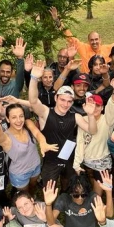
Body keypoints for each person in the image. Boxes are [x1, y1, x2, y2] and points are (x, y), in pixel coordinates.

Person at [0, 90, 56, 194]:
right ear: (8, 119)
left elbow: (37, 133)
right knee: (24, 193)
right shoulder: (6, 138)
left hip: (36, 166)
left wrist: (42, 142)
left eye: (21, 116)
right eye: (14, 117)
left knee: (33, 186)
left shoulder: (28, 123)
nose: (19, 120)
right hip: (20, 174)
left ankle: (32, 196)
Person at [28, 59, 98, 189]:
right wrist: (33, 78)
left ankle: (64, 194)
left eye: (69, 101)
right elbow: (33, 100)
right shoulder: (45, 113)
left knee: (67, 183)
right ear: (56, 98)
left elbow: (92, 130)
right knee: (49, 189)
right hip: (51, 161)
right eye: (62, 100)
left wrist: (90, 115)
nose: (65, 104)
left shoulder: (75, 116)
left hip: (68, 156)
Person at [74, 72, 114, 195]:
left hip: (102, 161)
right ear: (85, 105)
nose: (94, 108)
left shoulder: (107, 120)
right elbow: (80, 141)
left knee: (97, 194)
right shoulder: (83, 120)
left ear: (102, 108)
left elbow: (112, 107)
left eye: (98, 106)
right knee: (88, 186)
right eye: (91, 105)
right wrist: (76, 162)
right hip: (86, 161)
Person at [49, 6, 114, 73]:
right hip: (87, 82)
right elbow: (69, 37)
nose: (94, 42)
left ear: (100, 40)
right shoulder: (83, 47)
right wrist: (57, 21)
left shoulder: (108, 48)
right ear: (88, 41)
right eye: (92, 40)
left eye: (96, 39)